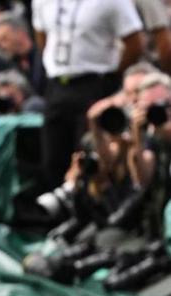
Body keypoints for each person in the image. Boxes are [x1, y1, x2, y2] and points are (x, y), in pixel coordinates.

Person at [32, 0, 145, 190]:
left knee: (89, 156)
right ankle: (59, 209)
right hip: (57, 84)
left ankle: (91, 210)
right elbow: (42, 35)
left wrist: (111, 78)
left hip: (94, 83)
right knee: (53, 157)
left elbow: (134, 43)